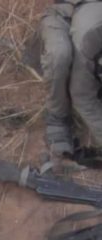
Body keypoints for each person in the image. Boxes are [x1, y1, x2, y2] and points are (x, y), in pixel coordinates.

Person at [40, 0, 102, 162]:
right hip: (63, 15)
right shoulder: (89, 33)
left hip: (89, 22)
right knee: (59, 55)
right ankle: (57, 117)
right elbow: (82, 94)